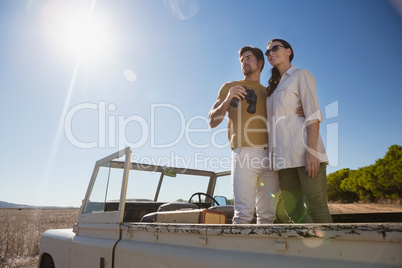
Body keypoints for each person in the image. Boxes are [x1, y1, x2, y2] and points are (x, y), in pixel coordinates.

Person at [208, 46, 280, 224]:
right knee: (243, 215)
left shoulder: (270, 92)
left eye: (248, 58)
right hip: (244, 153)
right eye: (242, 60)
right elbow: (212, 120)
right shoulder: (229, 87)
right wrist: (227, 99)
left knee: (268, 216)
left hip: (271, 156)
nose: (244, 62)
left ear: (260, 62)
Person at [265, 39, 333, 223]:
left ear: (288, 51)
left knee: (317, 207)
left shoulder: (301, 75)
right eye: (267, 52)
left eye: (275, 48)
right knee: (292, 211)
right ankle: (313, 248)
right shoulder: (272, 89)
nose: (270, 53)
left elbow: (313, 114)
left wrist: (312, 151)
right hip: (284, 160)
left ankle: (332, 251)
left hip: (305, 154)